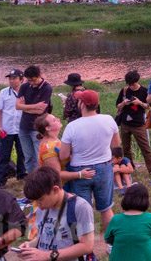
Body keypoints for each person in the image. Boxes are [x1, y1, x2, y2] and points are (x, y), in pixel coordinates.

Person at [59, 89, 119, 231]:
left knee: (83, 211)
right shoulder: (108, 119)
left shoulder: (72, 126)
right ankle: (110, 243)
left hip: (80, 171)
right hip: (104, 167)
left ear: (81, 104)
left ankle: (86, 247)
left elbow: (63, 156)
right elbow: (116, 145)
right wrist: (112, 161)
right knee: (106, 208)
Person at [17, 166, 95, 261]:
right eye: (35, 201)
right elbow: (44, 236)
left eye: (40, 200)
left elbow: (87, 246)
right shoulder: (43, 207)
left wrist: (47, 255)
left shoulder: (80, 207)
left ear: (55, 189)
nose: (38, 205)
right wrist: (29, 246)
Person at [104, 184, 151, 261]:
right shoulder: (150, 218)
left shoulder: (115, 219)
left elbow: (108, 240)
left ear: (126, 199)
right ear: (145, 200)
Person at [114, 71, 151, 180]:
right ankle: (130, 168)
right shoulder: (124, 90)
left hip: (139, 124)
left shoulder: (144, 91)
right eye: (129, 84)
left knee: (145, 147)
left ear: (136, 81)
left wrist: (139, 103)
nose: (130, 86)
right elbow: (117, 106)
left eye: (132, 84)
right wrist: (124, 103)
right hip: (125, 123)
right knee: (126, 148)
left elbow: (148, 106)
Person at [35, 113, 94, 186]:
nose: (58, 119)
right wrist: (80, 174)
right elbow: (56, 174)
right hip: (57, 188)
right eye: (54, 120)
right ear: (47, 128)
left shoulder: (54, 141)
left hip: (65, 184)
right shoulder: (48, 148)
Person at [16, 65, 53, 174]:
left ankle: (40, 179)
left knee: (39, 156)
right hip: (24, 127)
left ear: (39, 76)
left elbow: (41, 111)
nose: (31, 83)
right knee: (28, 157)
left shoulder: (47, 88)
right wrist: (35, 105)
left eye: (33, 80)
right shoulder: (24, 87)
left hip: (37, 128)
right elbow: (17, 106)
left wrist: (25, 107)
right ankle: (31, 180)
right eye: (29, 80)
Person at [0, 69, 26, 186]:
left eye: (14, 78)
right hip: (6, 129)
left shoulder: (26, 92)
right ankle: (0, 182)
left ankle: (22, 176)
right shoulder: (4, 92)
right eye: (10, 78)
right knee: (3, 156)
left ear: (21, 79)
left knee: (22, 154)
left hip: (22, 129)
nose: (11, 81)